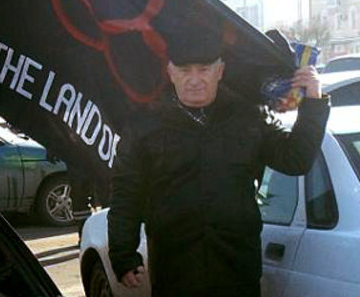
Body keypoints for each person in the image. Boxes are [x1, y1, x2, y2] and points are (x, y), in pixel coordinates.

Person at [107, 27, 330, 297]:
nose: (194, 80)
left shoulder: (249, 118)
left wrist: (314, 101)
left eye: (203, 69)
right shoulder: (145, 126)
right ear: (170, 73)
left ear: (220, 71)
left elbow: (295, 159)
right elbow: (125, 194)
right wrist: (123, 254)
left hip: (236, 270)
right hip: (175, 271)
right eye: (185, 70)